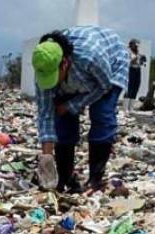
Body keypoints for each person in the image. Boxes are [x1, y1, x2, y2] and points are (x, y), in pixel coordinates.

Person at [32, 26, 130, 192]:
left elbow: (103, 87)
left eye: (54, 78)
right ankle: (65, 176)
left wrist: (73, 104)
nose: (52, 83)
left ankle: (95, 178)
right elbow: (45, 115)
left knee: (101, 114)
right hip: (81, 78)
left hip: (111, 66)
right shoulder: (44, 66)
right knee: (62, 119)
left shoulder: (91, 57)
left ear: (64, 63)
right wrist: (46, 158)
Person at [123, 39, 146, 112]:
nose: (137, 46)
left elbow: (141, 63)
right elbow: (127, 62)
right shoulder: (128, 52)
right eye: (135, 45)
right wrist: (135, 58)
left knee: (136, 87)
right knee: (129, 88)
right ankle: (125, 108)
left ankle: (131, 108)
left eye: (137, 45)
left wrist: (142, 60)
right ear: (131, 45)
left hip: (137, 70)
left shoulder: (138, 53)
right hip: (131, 70)